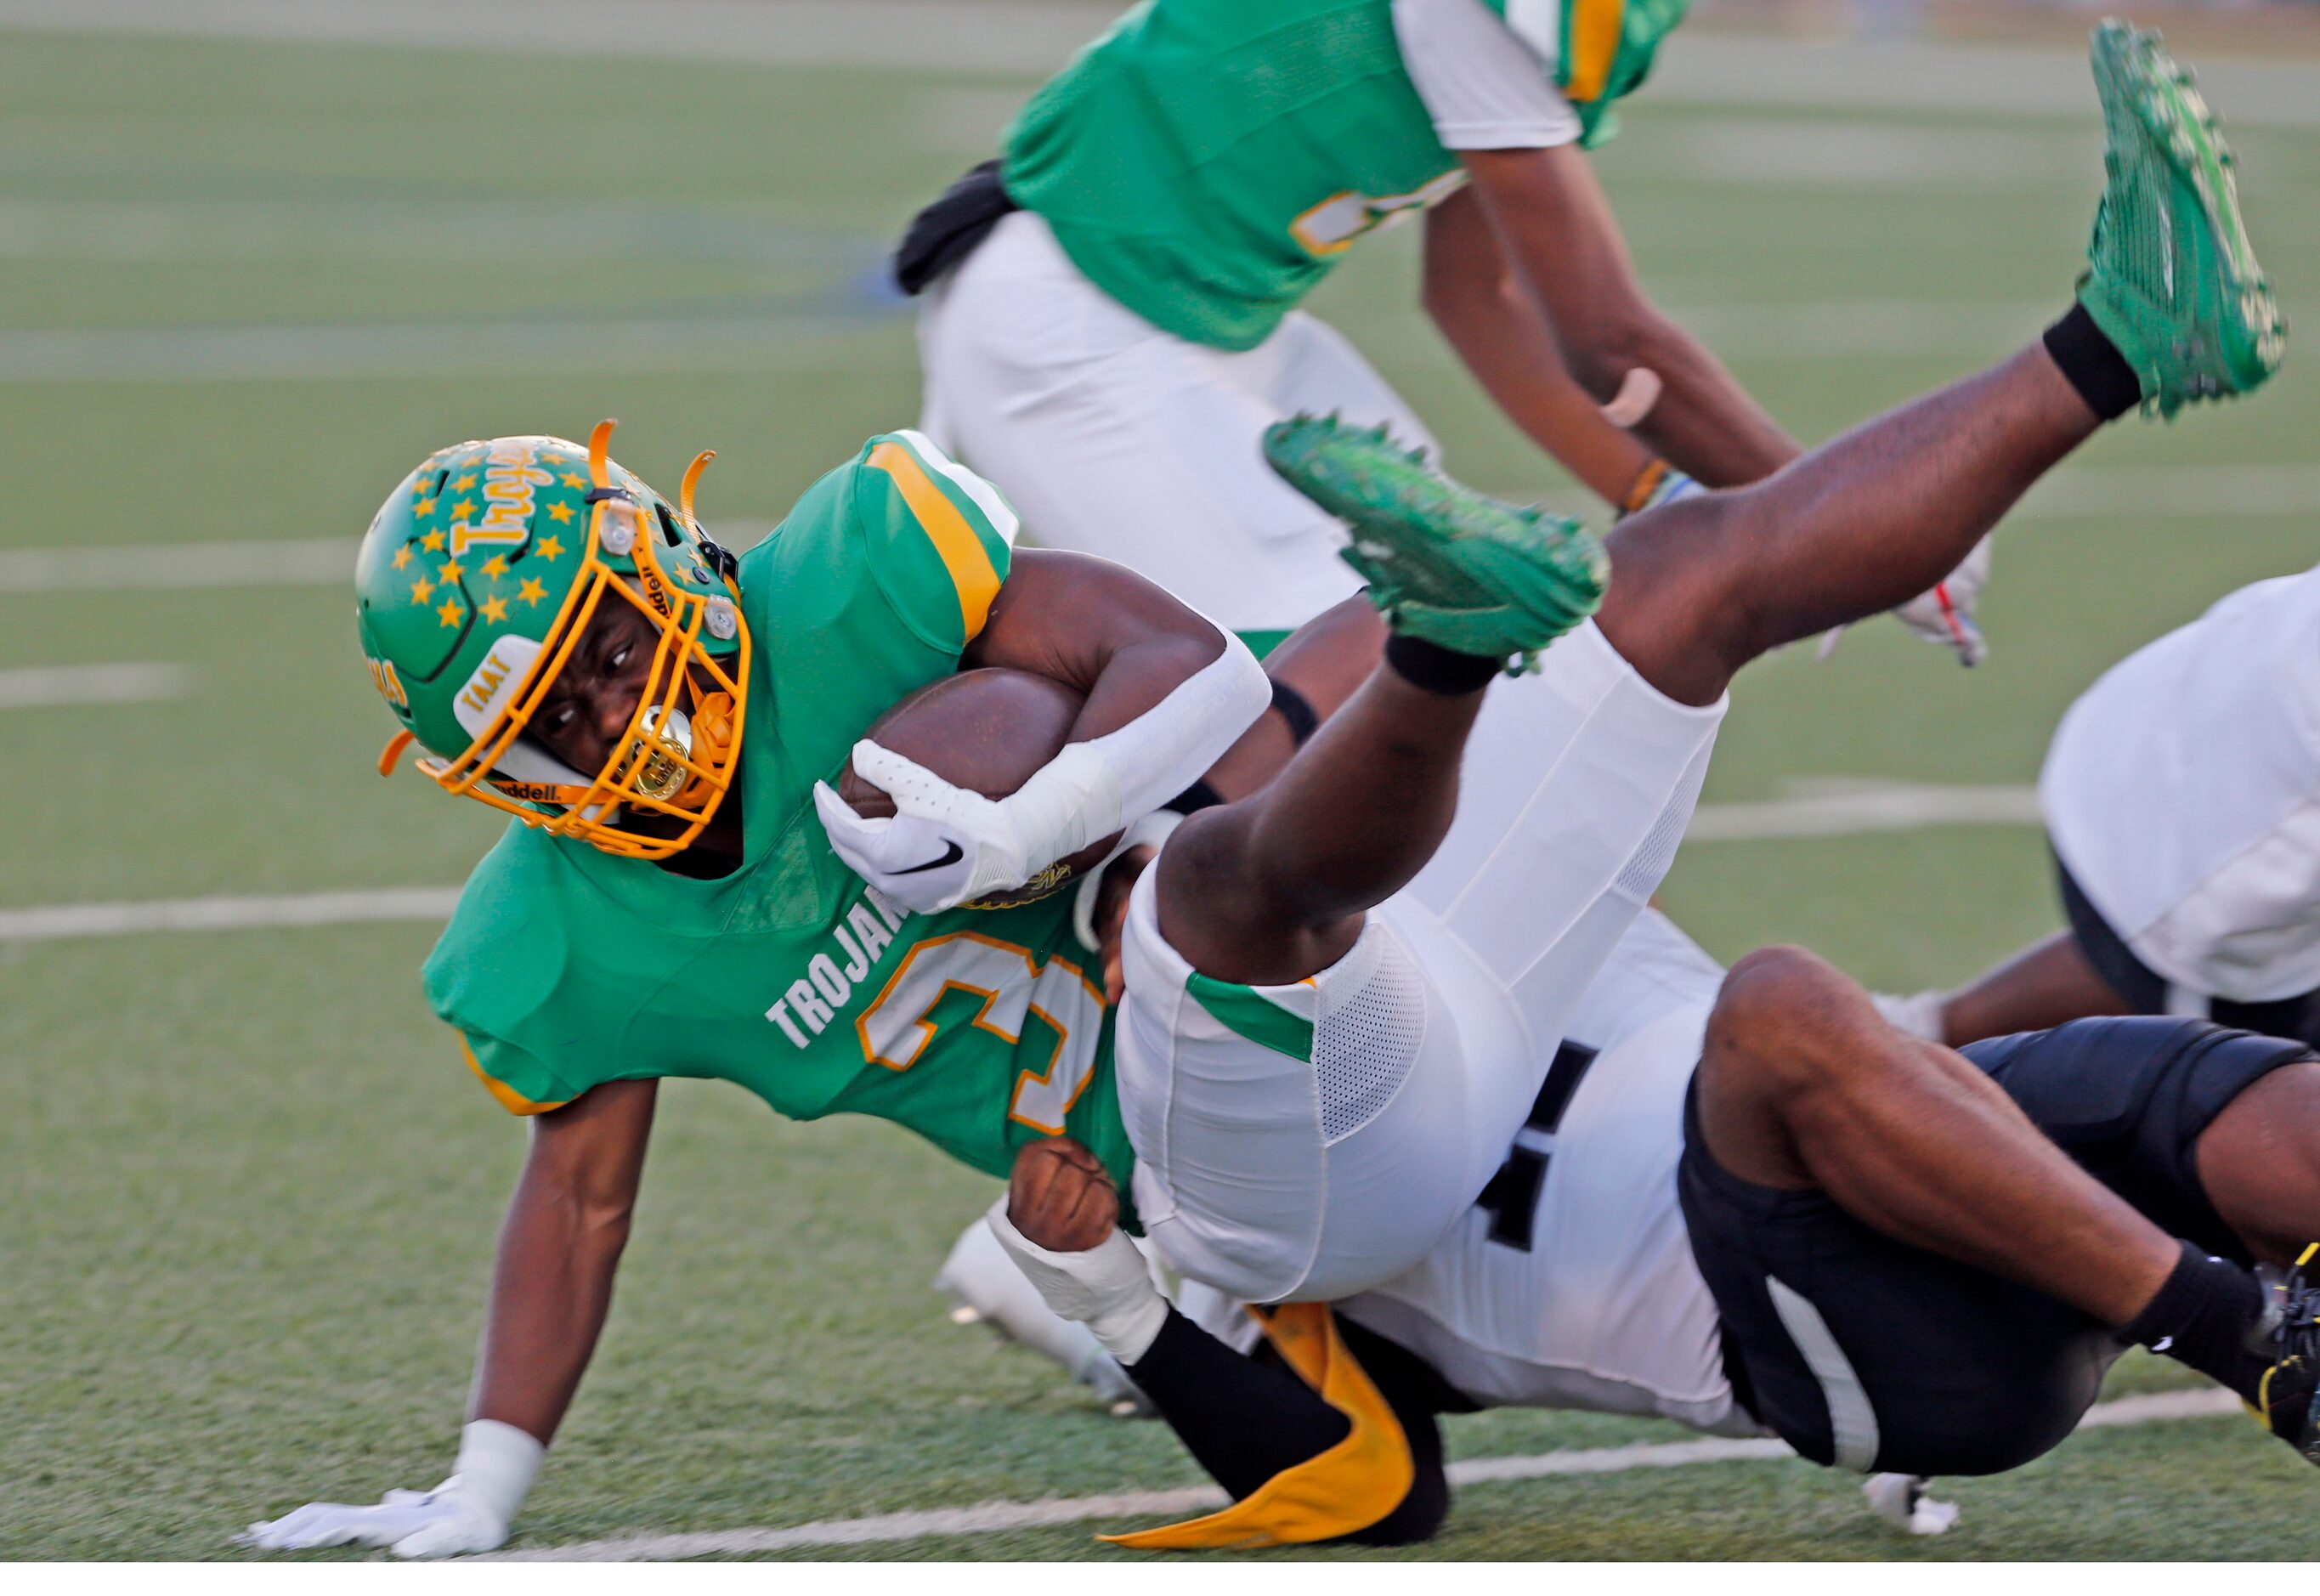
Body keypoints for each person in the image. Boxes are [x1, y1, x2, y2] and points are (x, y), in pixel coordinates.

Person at [244, 20, 2278, 1557]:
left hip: (1473, 999)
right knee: (1209, 896)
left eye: (614, 636)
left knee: (1672, 585)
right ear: (486, 760)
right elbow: (578, 1193)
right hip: (1253, 1170)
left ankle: (2112, 339)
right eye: (559, 698)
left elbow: (1173, 657)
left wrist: (1032, 818)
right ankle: (1440, 645)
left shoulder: (859, 581)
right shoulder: (569, 946)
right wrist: (487, 1483)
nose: (617, 701)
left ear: (673, 561)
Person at [976, 906, 2320, 1549]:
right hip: (1850, 1343)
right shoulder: (1229, 1199)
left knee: (2219, 1094)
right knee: (1781, 1004)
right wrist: (1112, 1297)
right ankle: (2249, 1339)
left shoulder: (1476, 884)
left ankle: (2254, 1315)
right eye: (1138, 952)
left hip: (1929, 1149)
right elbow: (1377, 1493)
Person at [899, 0, 1988, 665]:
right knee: (1333, 678)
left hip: (1212, 323)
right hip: (1075, 321)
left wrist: (1670, 496)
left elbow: (1481, 299)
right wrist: (1859, 526)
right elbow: (1608, 338)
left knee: (1466, 637)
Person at [1881, 558, 2320, 1052]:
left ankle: (1919, 1038)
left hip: (2173, 703)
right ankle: (1894, 1067)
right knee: (2262, 1095)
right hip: (2211, 865)